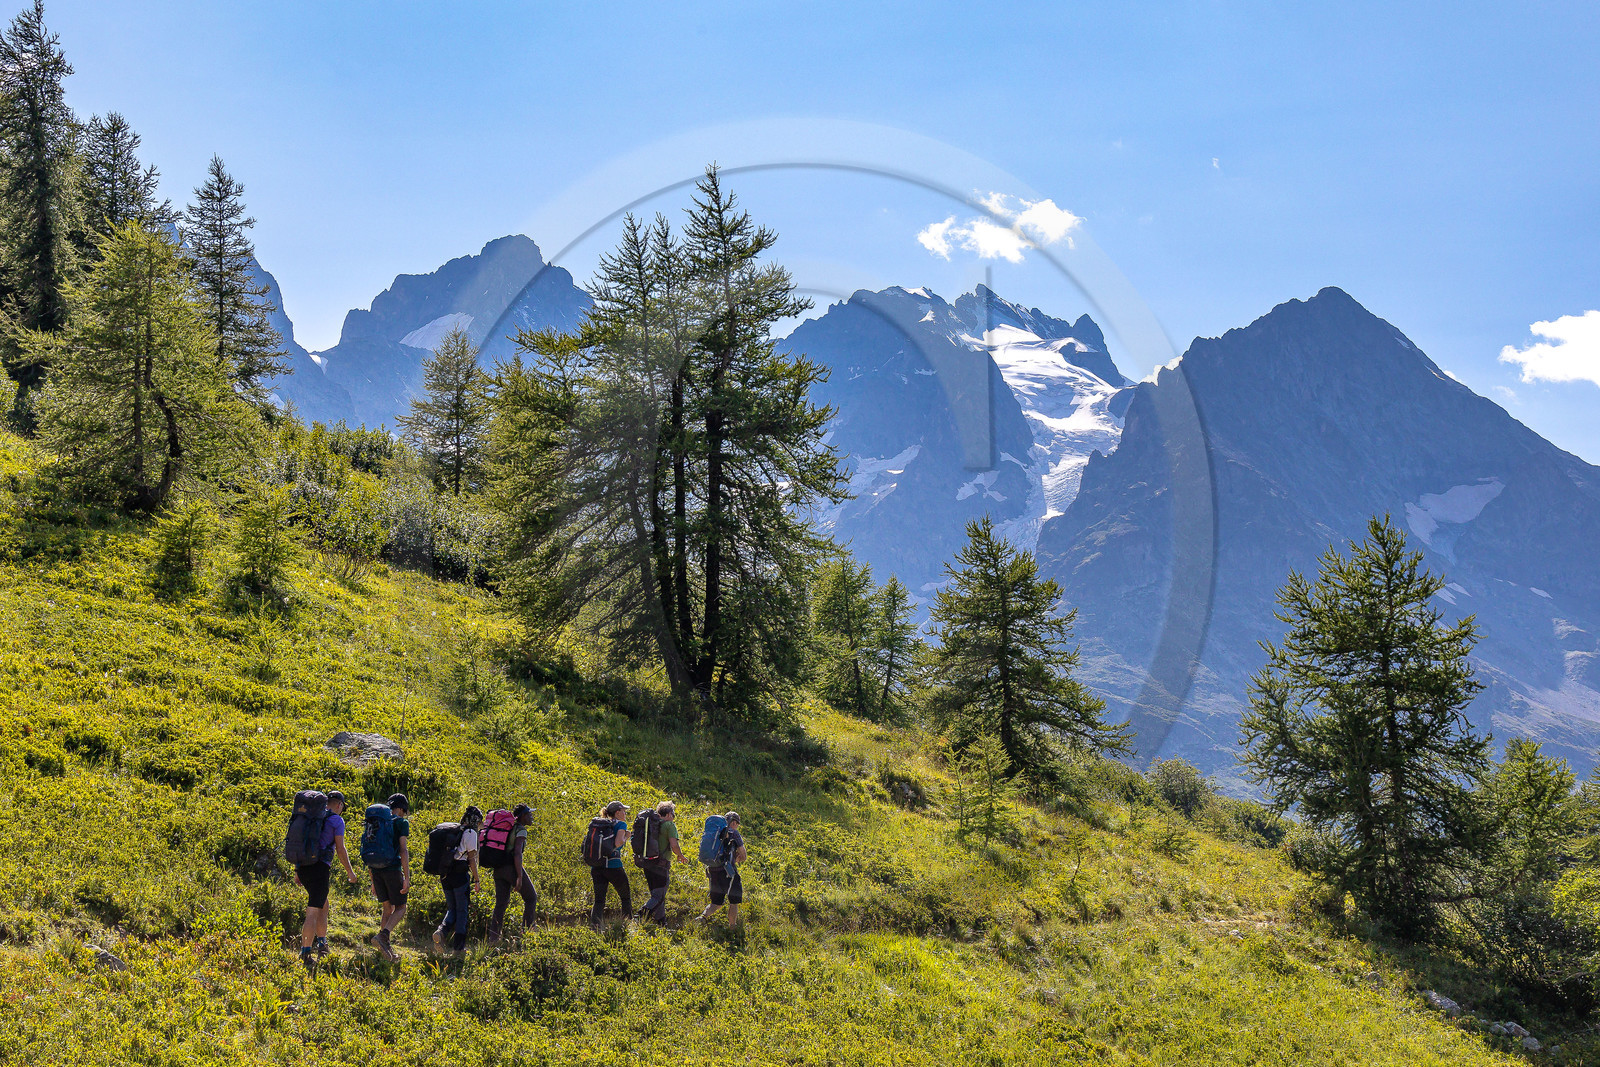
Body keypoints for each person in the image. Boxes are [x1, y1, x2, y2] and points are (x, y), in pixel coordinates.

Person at [294, 790, 358, 970]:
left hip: (305, 867)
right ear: (339, 805)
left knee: (323, 903)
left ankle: (322, 944)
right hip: (320, 868)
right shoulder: (337, 820)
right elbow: (340, 849)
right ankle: (305, 952)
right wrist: (350, 872)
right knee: (313, 911)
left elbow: (301, 842)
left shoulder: (312, 816)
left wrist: (297, 870)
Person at [433, 806, 482, 955]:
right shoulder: (470, 833)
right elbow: (472, 860)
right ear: (475, 820)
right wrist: (477, 880)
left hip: (445, 874)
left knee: (452, 908)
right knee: (462, 911)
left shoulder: (454, 830)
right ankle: (459, 948)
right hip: (460, 875)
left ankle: (441, 932)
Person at [368, 793, 411, 962]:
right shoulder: (401, 823)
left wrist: (372, 880)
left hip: (376, 869)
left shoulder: (377, 822)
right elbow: (403, 849)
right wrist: (406, 877)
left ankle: (384, 950)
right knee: (401, 907)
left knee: (387, 908)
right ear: (401, 809)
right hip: (392, 869)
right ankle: (383, 936)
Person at [487, 804, 537, 944]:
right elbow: (517, 853)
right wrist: (519, 877)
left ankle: (493, 938)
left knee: (501, 904)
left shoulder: (508, 828)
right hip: (510, 869)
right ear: (522, 816)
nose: (531, 816)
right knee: (531, 898)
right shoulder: (520, 830)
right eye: (529, 814)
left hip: (498, 869)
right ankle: (526, 935)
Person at [637, 800, 688, 923]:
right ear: (669, 813)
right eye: (673, 814)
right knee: (659, 897)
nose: (673, 817)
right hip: (661, 864)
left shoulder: (651, 824)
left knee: (657, 896)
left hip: (648, 864)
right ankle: (639, 917)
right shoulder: (669, 825)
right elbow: (674, 844)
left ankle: (661, 922)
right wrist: (680, 855)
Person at [697, 811, 747, 927]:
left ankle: (702, 917)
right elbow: (743, 856)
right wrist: (736, 860)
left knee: (716, 903)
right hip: (728, 872)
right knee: (734, 902)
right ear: (734, 822)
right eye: (737, 824)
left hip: (713, 869)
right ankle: (732, 928)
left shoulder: (715, 832)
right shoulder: (733, 833)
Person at [588, 801, 632, 927]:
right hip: (613, 866)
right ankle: (627, 926)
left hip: (596, 866)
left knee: (599, 900)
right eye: (624, 811)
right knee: (625, 897)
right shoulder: (621, 824)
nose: (625, 813)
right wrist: (626, 836)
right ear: (617, 812)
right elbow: (618, 843)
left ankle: (595, 927)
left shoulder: (600, 824)